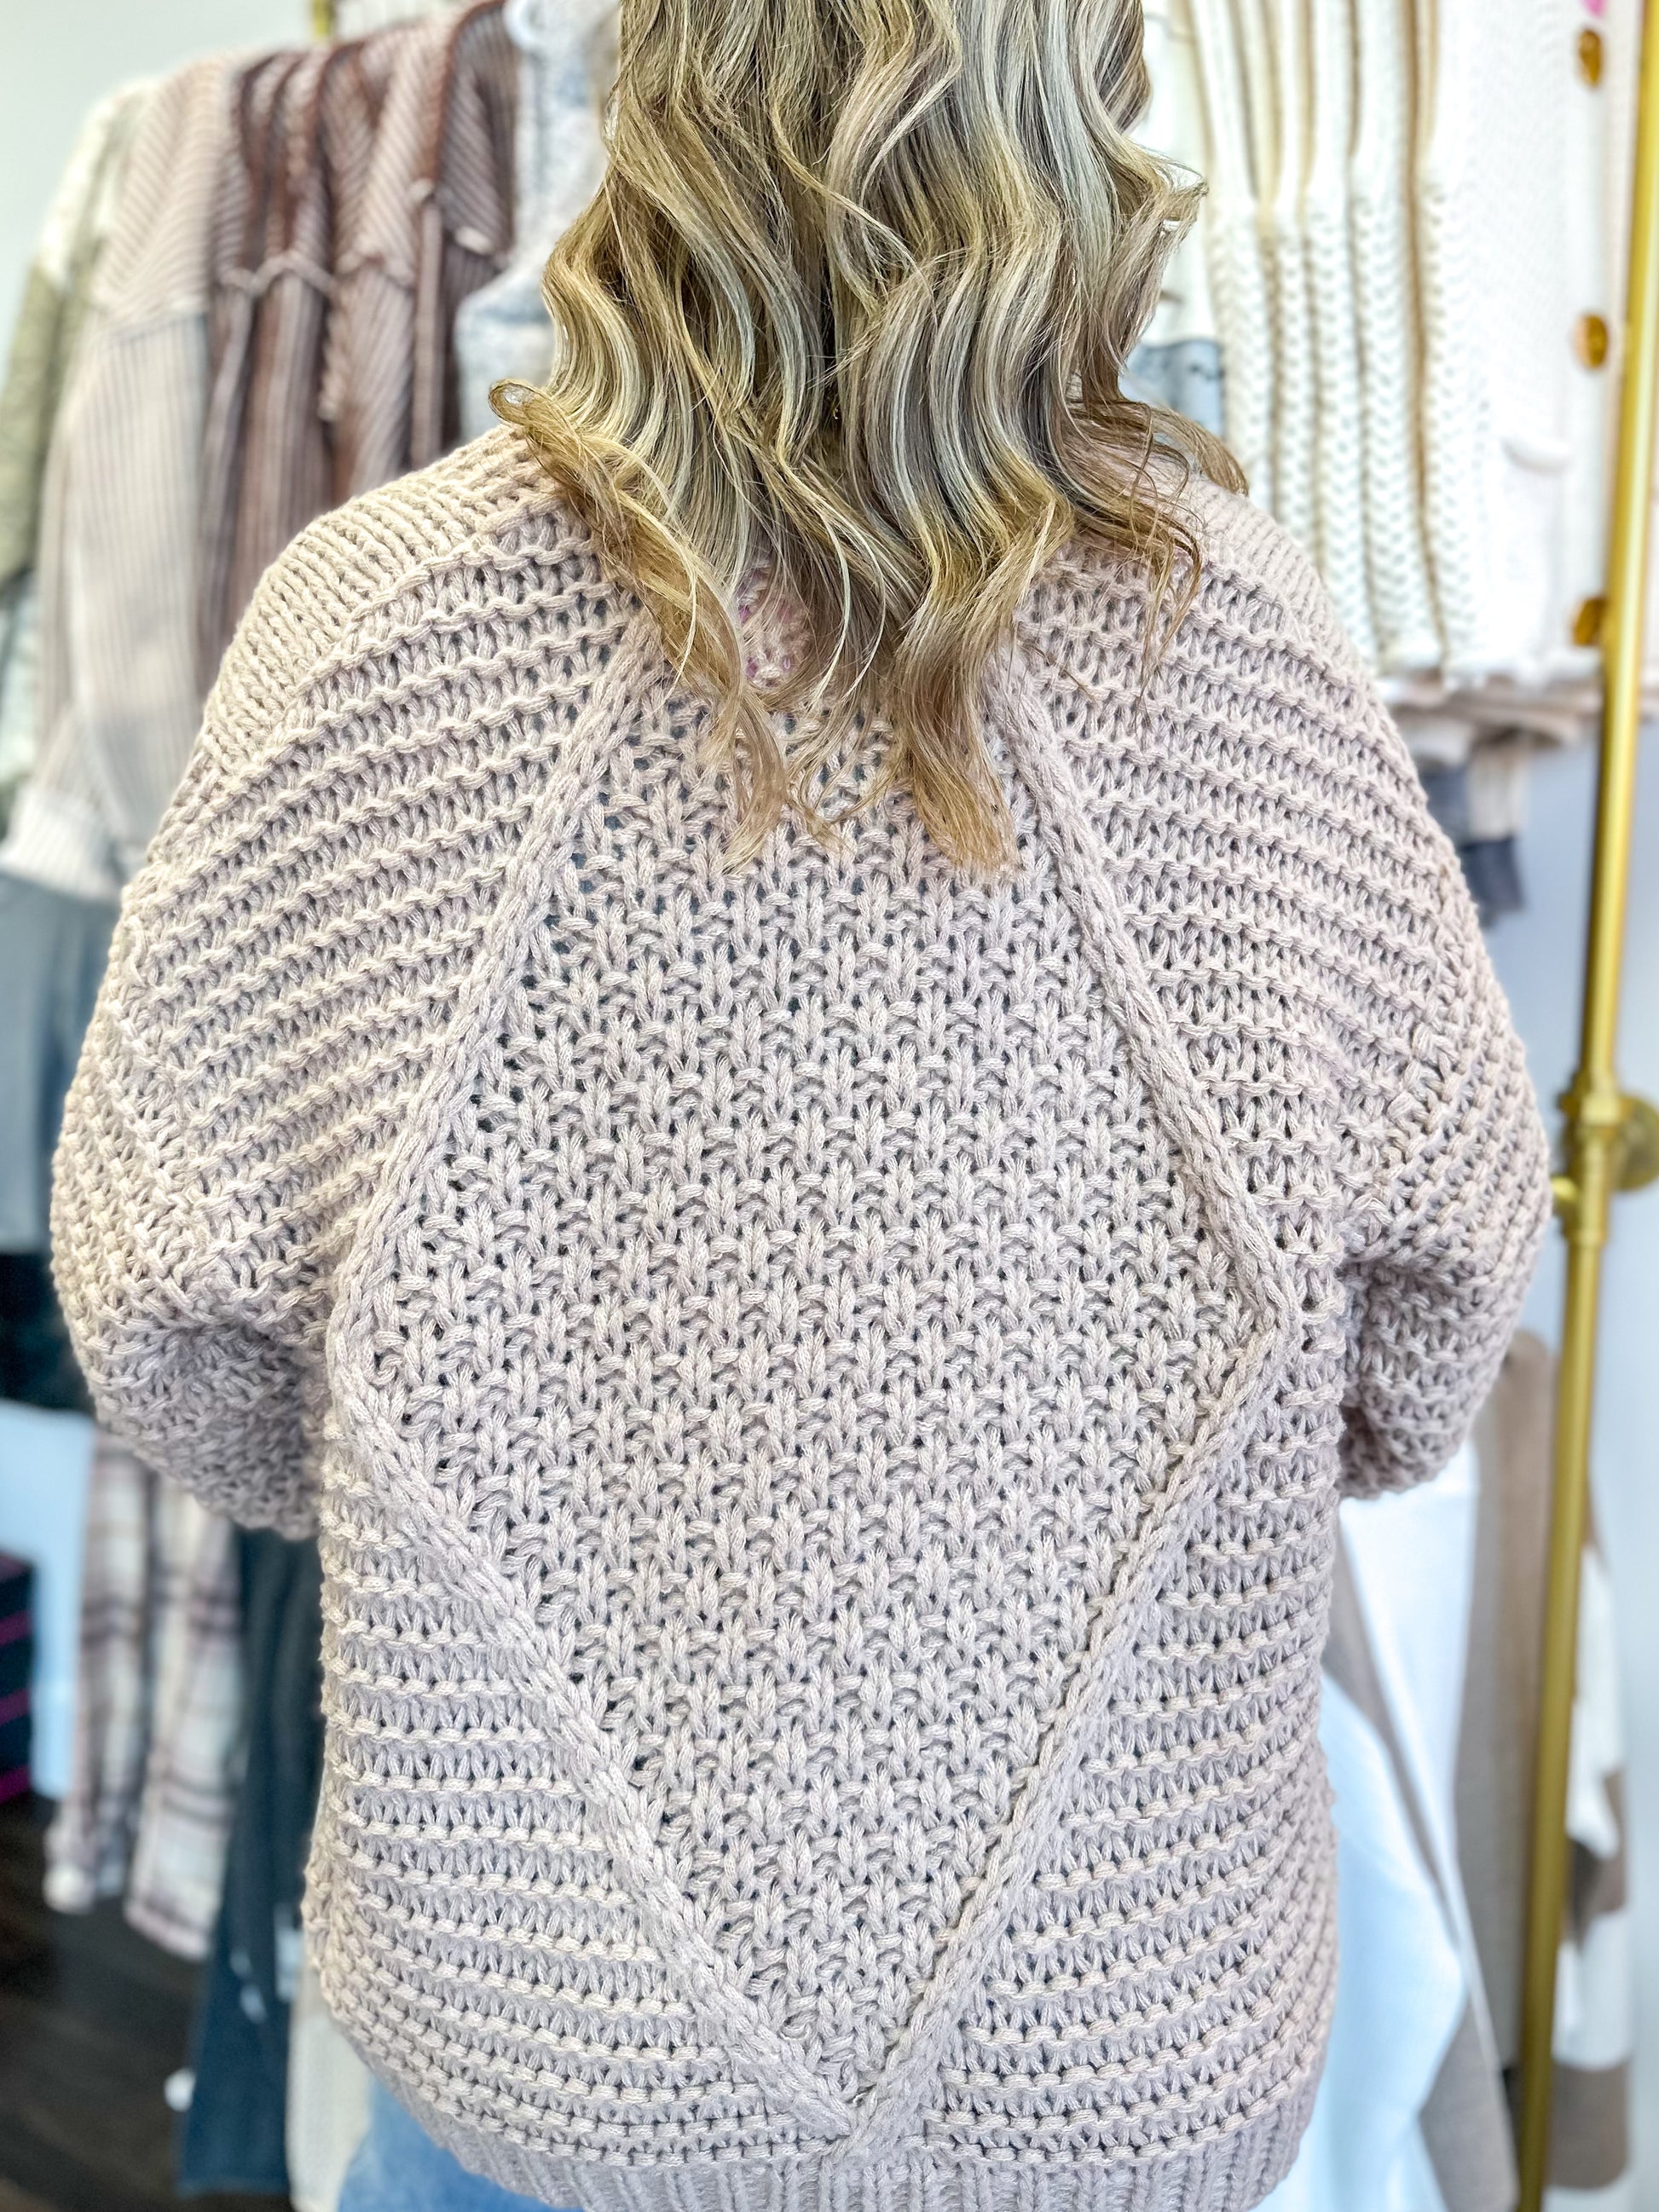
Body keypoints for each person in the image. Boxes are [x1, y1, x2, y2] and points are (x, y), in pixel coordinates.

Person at [50, 1, 1552, 2207]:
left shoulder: (377, 624)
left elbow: (172, 1327)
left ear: (652, 100)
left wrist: (501, 1498)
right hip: (1116, 2019)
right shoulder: (1233, 641)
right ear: (1081, 118)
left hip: (542, 2020)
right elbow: (1431, 1319)